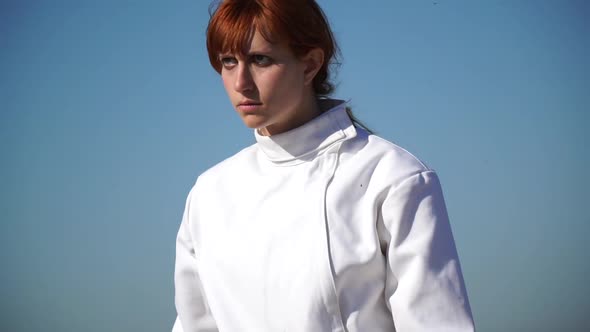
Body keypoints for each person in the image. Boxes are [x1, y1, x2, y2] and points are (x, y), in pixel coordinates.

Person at [172, 0, 475, 331]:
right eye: (228, 62)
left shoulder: (392, 177)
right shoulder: (209, 195)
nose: (240, 82)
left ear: (310, 65)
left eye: (260, 59)